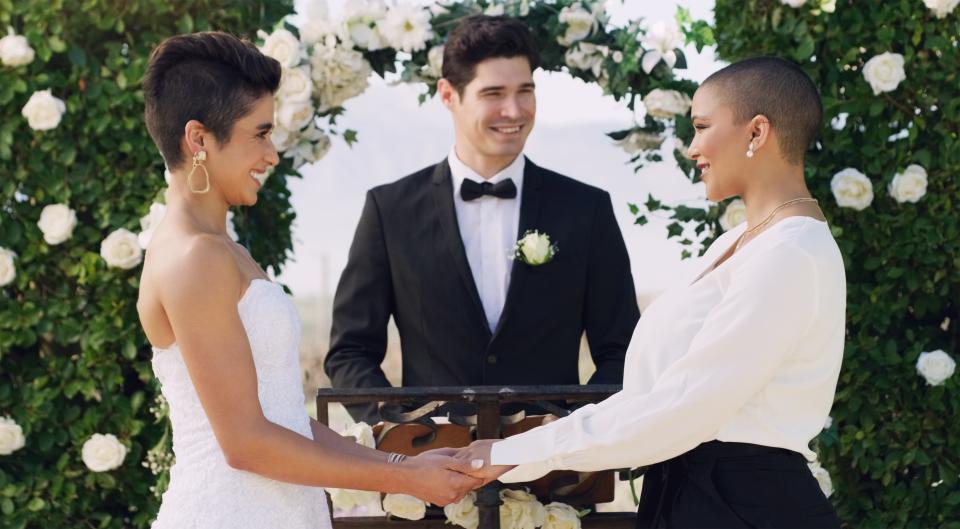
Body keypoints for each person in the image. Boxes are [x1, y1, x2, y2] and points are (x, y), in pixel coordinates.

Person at [457, 56, 846, 529]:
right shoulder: (738, 243)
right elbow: (655, 395)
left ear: (757, 132)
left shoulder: (790, 254)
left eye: (702, 127)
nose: (691, 148)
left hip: (745, 507)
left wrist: (513, 452)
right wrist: (511, 454)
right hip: (693, 496)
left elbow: (682, 407)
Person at [136, 32, 480, 529]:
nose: (272, 154)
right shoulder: (194, 257)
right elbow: (246, 442)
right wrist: (404, 480)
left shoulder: (220, 250)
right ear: (198, 139)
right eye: (260, 133)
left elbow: (283, 421)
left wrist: (408, 466)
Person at [324, 15, 640, 424]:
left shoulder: (587, 209)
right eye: (494, 93)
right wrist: (405, 430)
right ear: (448, 94)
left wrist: (574, 430)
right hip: (428, 473)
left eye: (525, 91)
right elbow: (351, 351)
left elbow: (624, 351)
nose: (514, 110)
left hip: (554, 472)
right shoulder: (389, 210)